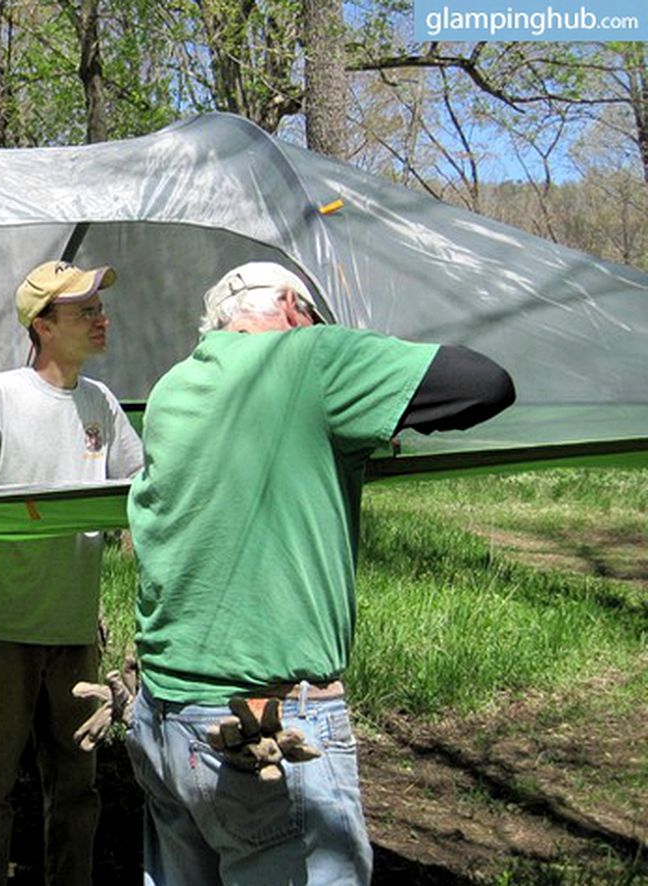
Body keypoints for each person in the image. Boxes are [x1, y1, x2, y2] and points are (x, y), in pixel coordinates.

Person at [125, 261, 515, 885]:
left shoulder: (174, 385)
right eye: (313, 318)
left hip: (164, 717)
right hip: (262, 727)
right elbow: (485, 383)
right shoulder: (313, 357)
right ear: (290, 306)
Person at [0, 259, 144, 886]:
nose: (101, 318)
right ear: (42, 325)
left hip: (74, 636)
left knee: (77, 790)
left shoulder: (100, 404)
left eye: (100, 306)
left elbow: (141, 487)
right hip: (2, 633)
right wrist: (9, 527)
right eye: (85, 310)